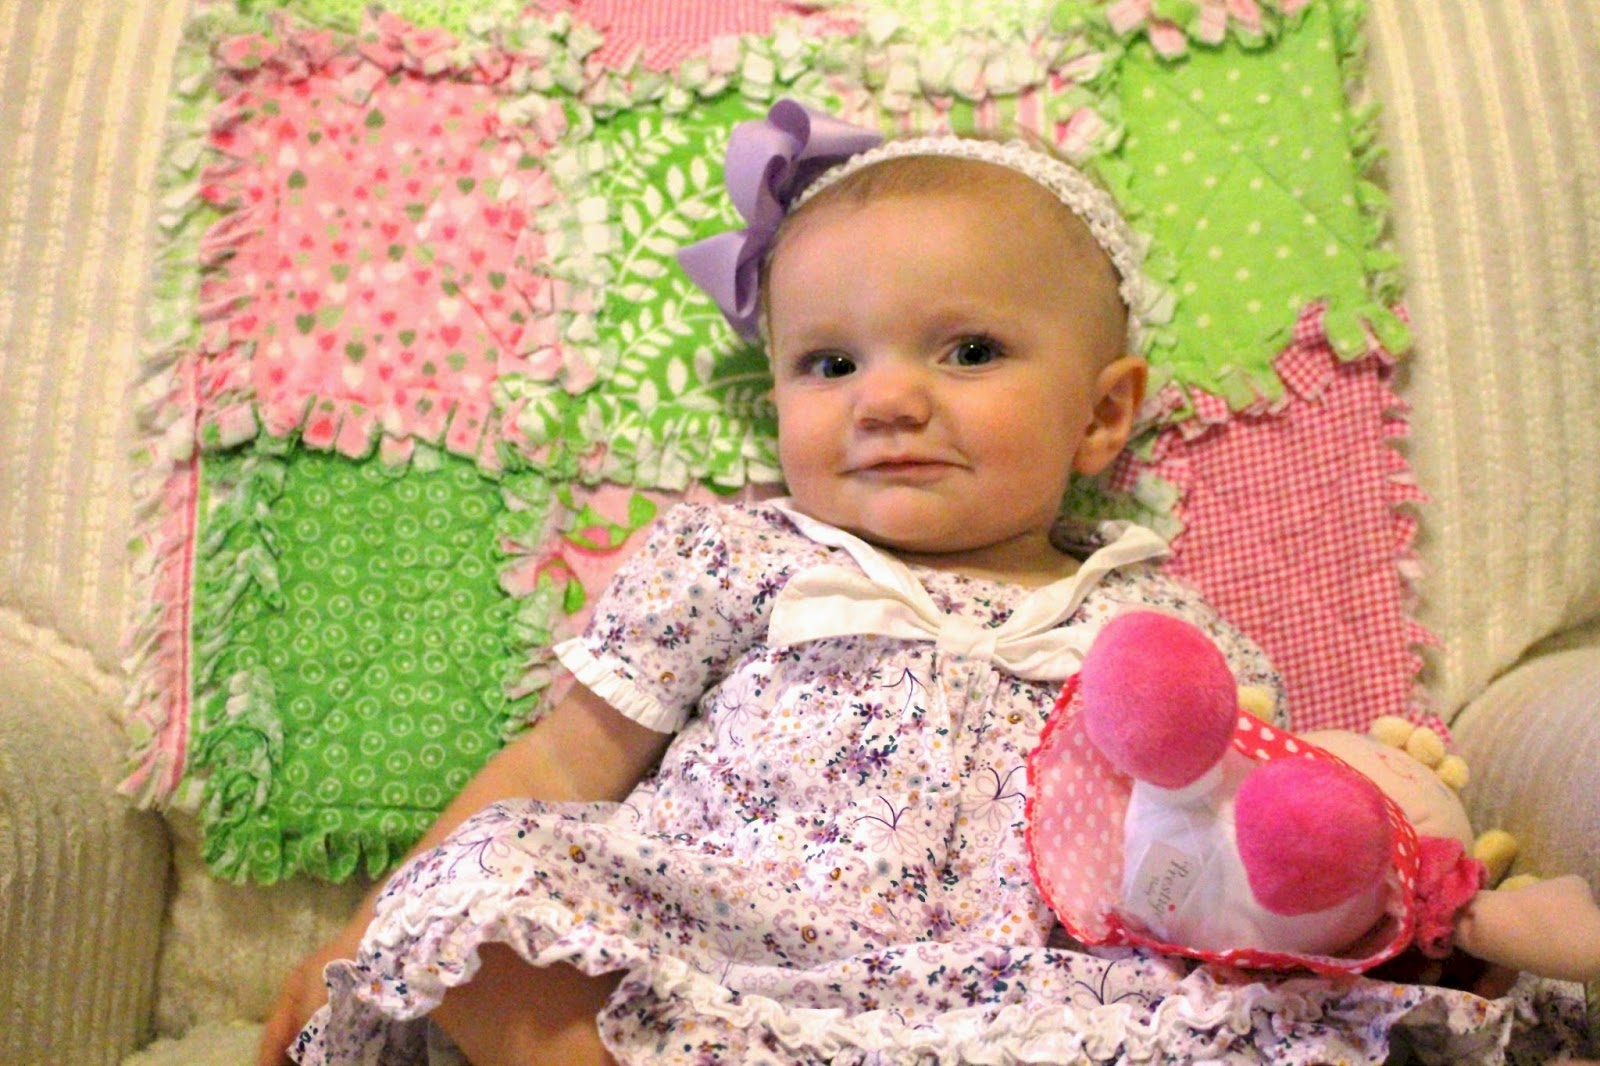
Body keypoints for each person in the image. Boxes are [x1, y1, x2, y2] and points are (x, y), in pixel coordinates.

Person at [259, 98, 1539, 1065]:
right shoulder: (741, 558)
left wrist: (1392, 911)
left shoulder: (1155, 628)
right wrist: (367, 930)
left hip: (1039, 1000)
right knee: (490, 887)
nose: (886, 400)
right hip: (720, 963)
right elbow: (558, 763)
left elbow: (1231, 853)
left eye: (967, 350)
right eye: (829, 365)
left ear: (1103, 415)